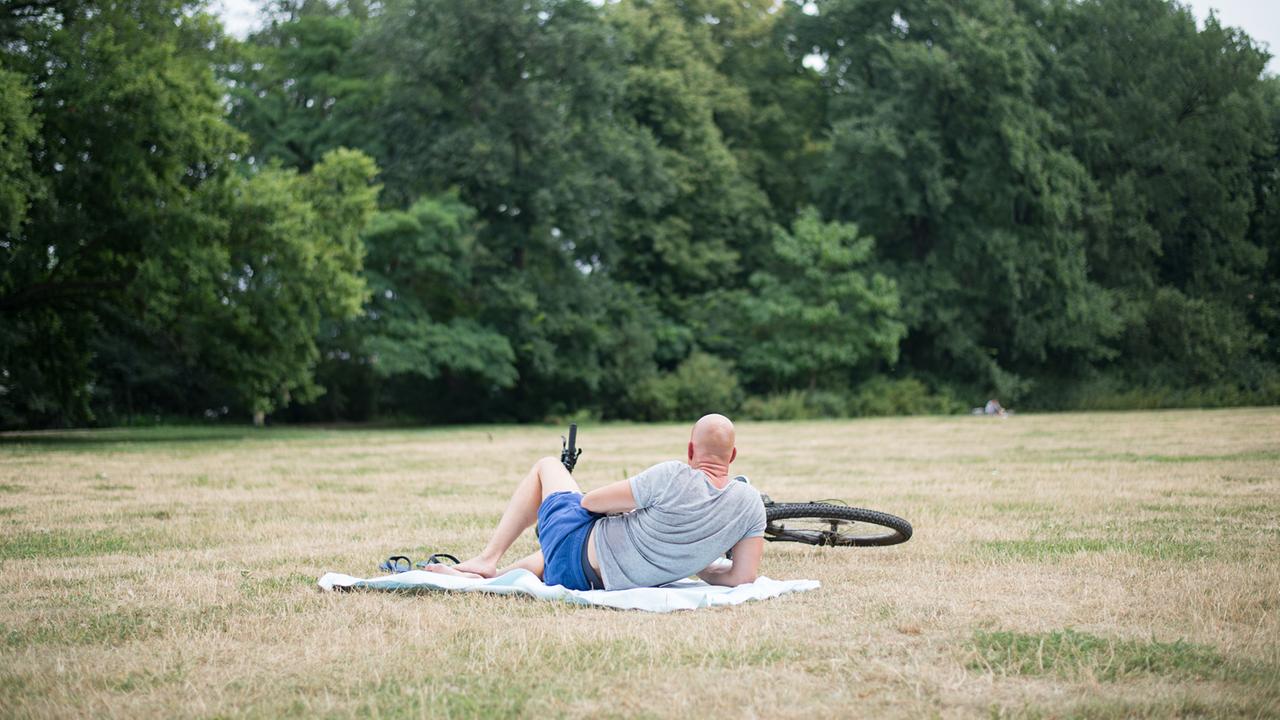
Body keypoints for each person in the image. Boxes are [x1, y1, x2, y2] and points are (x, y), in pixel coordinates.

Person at [424, 413, 767, 590]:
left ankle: (487, 560)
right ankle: (489, 579)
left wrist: (629, 508)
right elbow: (742, 577)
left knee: (549, 466)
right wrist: (703, 568)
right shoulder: (751, 505)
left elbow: (590, 502)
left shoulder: (673, 475)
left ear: (691, 450)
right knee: (550, 555)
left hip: (575, 551)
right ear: (733, 455)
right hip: (582, 578)